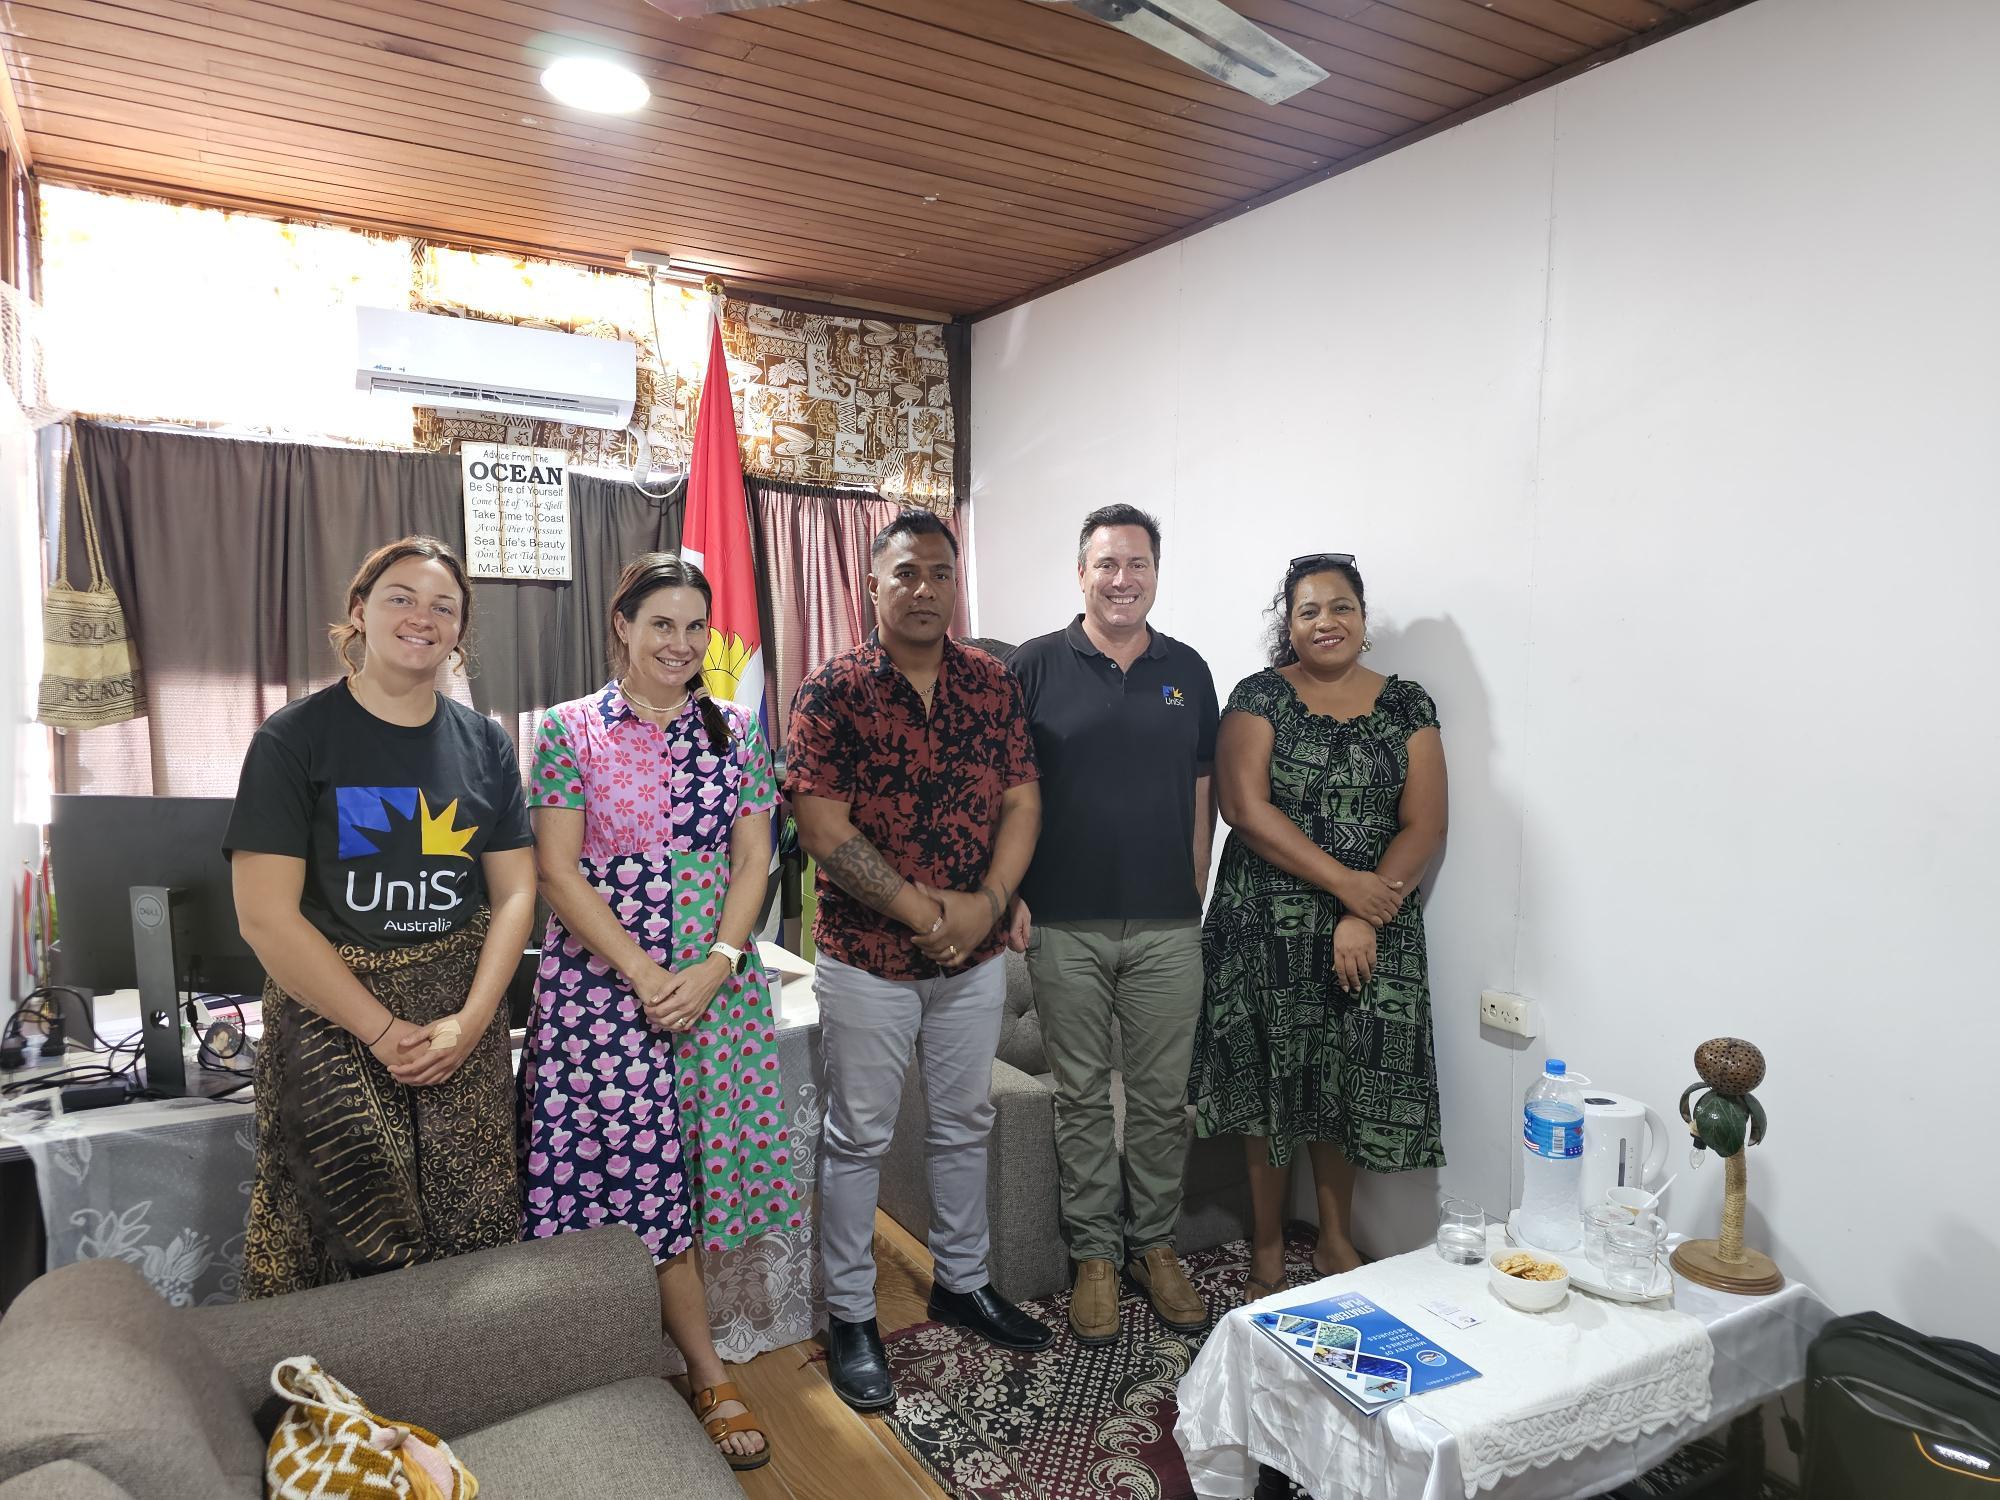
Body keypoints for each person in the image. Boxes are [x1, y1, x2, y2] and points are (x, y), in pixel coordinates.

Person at [519, 554, 794, 1471]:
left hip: (715, 986)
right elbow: (556, 870)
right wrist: (643, 971)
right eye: (661, 625)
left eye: (694, 629)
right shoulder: (566, 732)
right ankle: (668, 1368)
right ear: (622, 626)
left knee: (700, 1176)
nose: (680, 645)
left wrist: (717, 963)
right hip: (604, 989)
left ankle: (694, 1362)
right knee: (621, 1176)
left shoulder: (735, 732)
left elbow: (756, 860)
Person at [787, 510, 1051, 1411]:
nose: (925, 589)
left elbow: (1022, 801)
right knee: (857, 1137)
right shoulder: (831, 691)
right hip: (866, 959)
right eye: (906, 573)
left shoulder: (992, 682)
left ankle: (963, 1282)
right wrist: (921, 912)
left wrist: (986, 904)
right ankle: (852, 1314)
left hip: (972, 961)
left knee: (963, 1122)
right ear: (871, 584)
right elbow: (822, 826)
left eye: (940, 572)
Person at [228, 535, 536, 1298]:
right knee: (344, 1239)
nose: (421, 617)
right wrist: (378, 1028)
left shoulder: (485, 743)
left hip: (462, 1028)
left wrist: (469, 1021)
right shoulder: (292, 739)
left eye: (444, 607)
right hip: (334, 1023)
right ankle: (349, 1413)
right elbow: (267, 919)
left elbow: (517, 894)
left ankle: (465, 1401)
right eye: (400, 597)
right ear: (359, 613)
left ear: (460, 632)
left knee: (475, 1237)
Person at [1190, 553, 1448, 1298]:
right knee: (1270, 1086)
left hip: (1375, 922)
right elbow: (1244, 807)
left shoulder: (1407, 705)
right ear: (1289, 627)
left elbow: (1425, 820)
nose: (1326, 622)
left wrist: (1367, 912)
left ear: (1363, 622)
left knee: (1345, 1080)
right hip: (1264, 925)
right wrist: (1348, 890)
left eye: (1340, 608)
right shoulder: (1259, 696)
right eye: (1308, 611)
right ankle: (1268, 1246)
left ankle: (1335, 1241)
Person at [1007, 504, 1219, 1344]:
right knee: (1085, 1099)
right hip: (1064, 921)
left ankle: (1153, 1244)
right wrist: (1012, 889)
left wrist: (1193, 888)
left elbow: (1204, 790)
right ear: (1081, 574)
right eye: (1106, 565)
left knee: (1164, 1100)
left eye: (1136, 564)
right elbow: (1008, 794)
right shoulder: (1032, 667)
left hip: (1168, 923)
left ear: (1155, 574)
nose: (1121, 579)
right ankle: (1096, 1254)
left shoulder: (1188, 671)